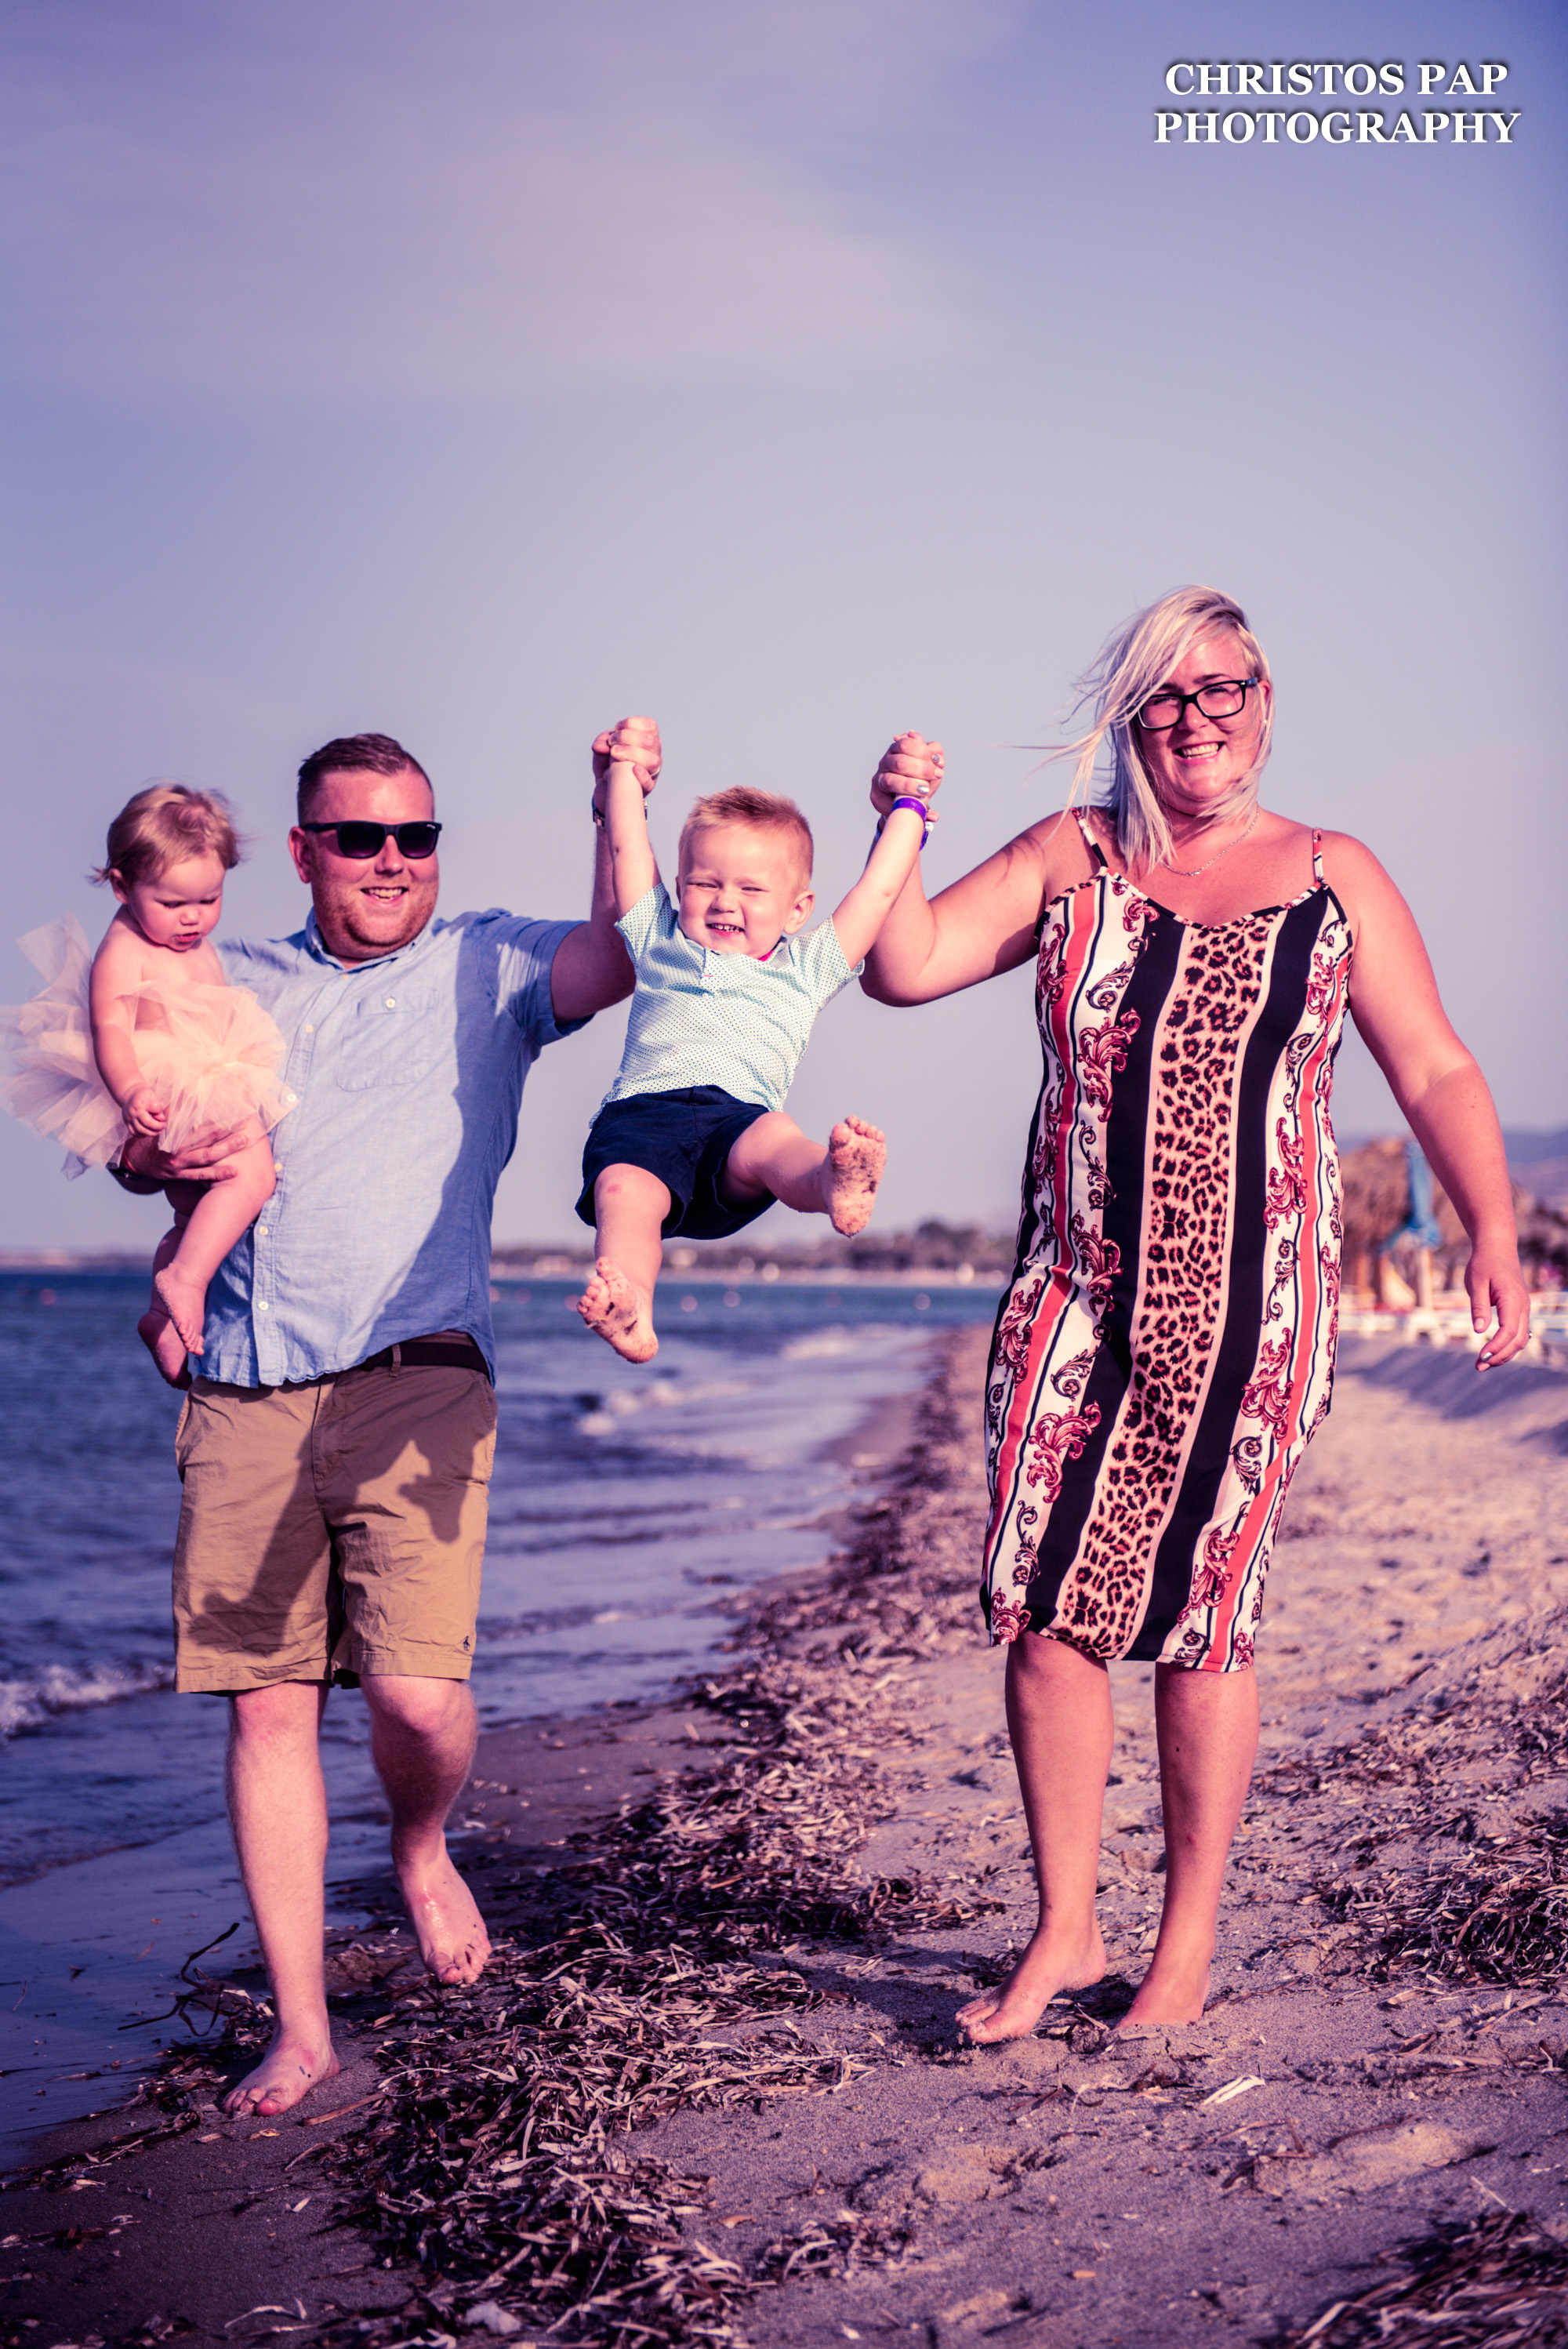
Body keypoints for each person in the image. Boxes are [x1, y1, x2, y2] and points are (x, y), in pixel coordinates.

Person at [860, 586, 1530, 2040]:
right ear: (1130, 719)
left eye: (1224, 690)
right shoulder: (1070, 857)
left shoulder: (1332, 872)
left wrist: (1491, 1225)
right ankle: (1063, 1933)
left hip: (1253, 1314)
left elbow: (1437, 1069)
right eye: (1168, 696)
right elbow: (901, 965)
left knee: (1201, 1620)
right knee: (1043, 1609)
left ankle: (1184, 1947)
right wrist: (899, 823)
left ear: (1265, 701)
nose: (1198, 719)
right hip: (1071, 1297)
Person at [107, 723, 650, 2116]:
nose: (395, 861)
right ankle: (302, 2027)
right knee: (268, 1709)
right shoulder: (226, 977)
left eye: (417, 835)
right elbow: (133, 1129)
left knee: (414, 1691)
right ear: (301, 852)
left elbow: (626, 946)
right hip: (243, 1377)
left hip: (423, 1367)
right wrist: (146, 1150)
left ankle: (420, 1842)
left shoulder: (491, 963)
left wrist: (614, 798)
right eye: (362, 837)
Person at [573, 739, 939, 1361]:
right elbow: (628, 847)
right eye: (704, 883)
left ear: (798, 910)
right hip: (642, 1121)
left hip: (735, 1126)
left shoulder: (807, 968)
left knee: (777, 1138)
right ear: (680, 886)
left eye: (751, 889)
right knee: (622, 1196)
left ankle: (831, 1182)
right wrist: (624, 775)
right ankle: (632, 1302)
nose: (724, 901)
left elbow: (877, 894)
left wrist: (909, 810)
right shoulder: (658, 937)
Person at [1, 786, 293, 1388]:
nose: (193, 918)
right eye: (173, 902)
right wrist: (131, 1091)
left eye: (209, 899)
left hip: (213, 1071)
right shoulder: (123, 949)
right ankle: (183, 1280)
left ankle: (163, 1315)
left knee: (196, 1216)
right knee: (254, 1176)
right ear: (120, 886)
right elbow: (109, 1027)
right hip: (164, 1083)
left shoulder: (195, 943)